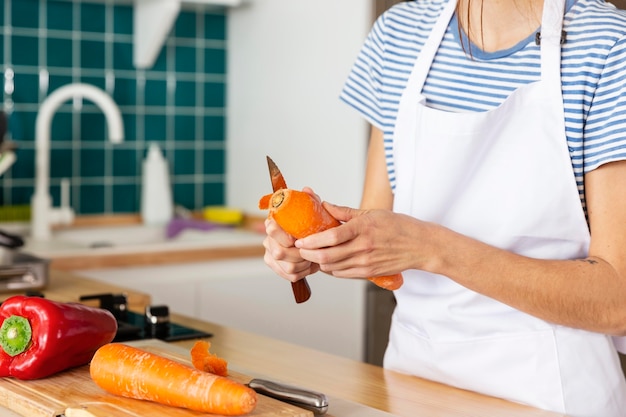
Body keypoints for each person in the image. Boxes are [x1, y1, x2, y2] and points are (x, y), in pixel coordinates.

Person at [261, 0, 626, 415]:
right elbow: (377, 239)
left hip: (550, 395)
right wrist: (313, 242)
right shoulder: (398, 36)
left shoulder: (609, 45)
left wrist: (433, 248)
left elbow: (618, 300)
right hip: (411, 387)